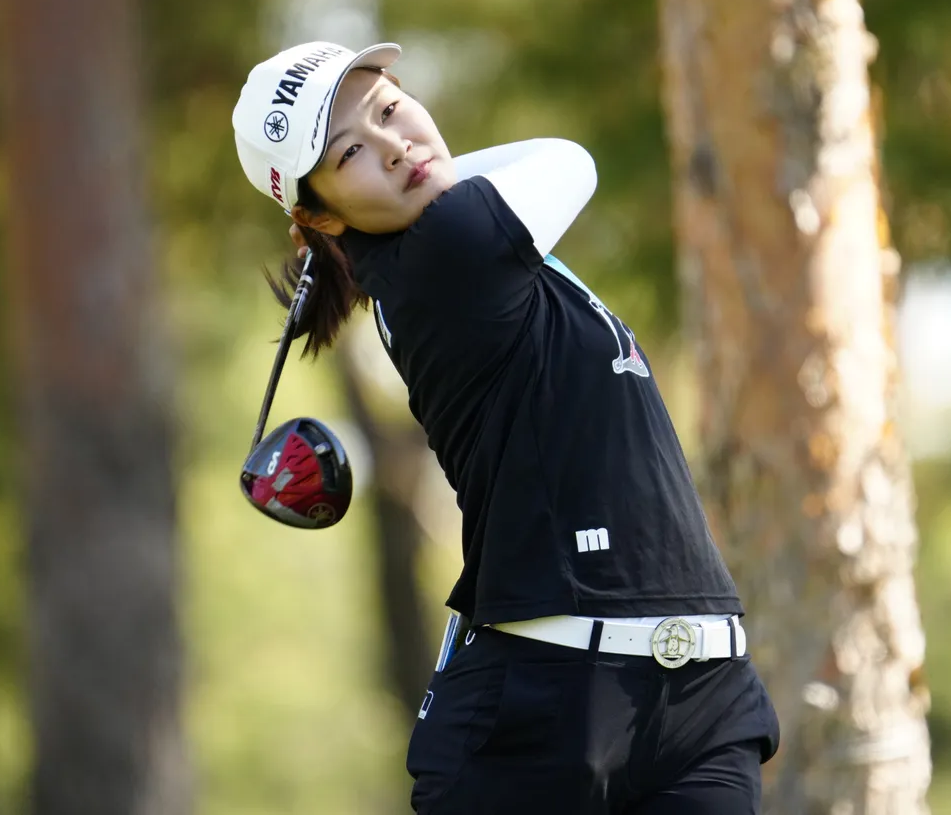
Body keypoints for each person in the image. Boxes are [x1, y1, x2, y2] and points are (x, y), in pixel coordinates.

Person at [232, 40, 779, 814]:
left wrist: (344, 231)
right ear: (317, 213)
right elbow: (568, 159)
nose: (395, 147)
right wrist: (354, 232)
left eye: (391, 109)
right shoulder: (450, 253)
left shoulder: (469, 251)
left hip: (703, 698)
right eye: (351, 151)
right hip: (545, 710)